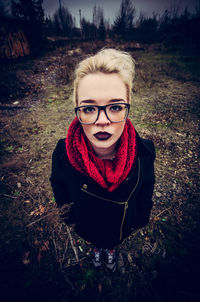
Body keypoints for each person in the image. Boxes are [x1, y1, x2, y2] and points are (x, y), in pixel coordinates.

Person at [50, 48, 155, 272]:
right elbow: (58, 183)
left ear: (127, 108)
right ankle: (98, 249)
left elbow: (147, 183)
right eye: (89, 108)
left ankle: (111, 249)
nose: (102, 121)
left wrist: (141, 215)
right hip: (88, 227)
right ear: (78, 112)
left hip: (121, 228)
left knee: (112, 241)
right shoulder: (63, 153)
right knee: (97, 240)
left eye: (115, 107)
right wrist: (68, 216)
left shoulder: (144, 151)